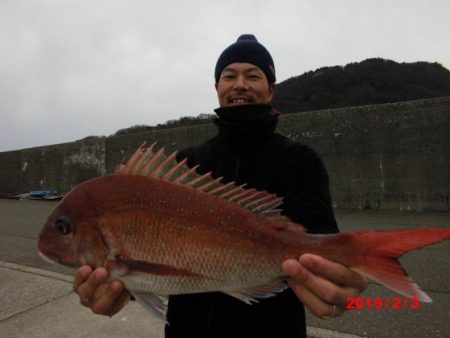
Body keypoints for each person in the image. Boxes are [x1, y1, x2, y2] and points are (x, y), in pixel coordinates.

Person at [73, 34, 368, 337]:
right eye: (229, 76)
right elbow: (154, 253)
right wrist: (122, 287)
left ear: (270, 90)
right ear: (217, 88)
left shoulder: (299, 160)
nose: (240, 84)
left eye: (253, 75)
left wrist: (338, 280)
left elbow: (322, 239)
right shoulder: (184, 165)